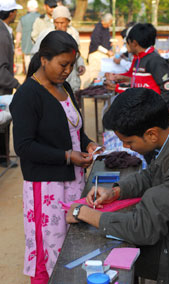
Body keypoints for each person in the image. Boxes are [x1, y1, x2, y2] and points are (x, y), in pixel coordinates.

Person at [66, 87, 169, 284]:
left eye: (128, 141)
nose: (125, 147)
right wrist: (116, 191)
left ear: (151, 134)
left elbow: (143, 227)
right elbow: (152, 174)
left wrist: (83, 213)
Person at [10, 30, 101, 284]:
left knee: (68, 245)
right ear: (43, 60)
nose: (67, 71)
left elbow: (74, 130)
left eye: (71, 65)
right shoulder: (28, 95)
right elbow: (24, 147)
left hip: (71, 181)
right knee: (46, 251)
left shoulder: (65, 87)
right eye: (63, 65)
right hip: (46, 187)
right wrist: (67, 156)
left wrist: (89, 144)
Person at [104, 23, 169, 106]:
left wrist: (156, 109)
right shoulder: (138, 58)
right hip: (141, 108)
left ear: (134, 43)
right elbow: (137, 86)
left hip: (150, 111)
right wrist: (117, 86)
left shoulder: (154, 60)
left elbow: (168, 89)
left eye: (127, 43)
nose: (127, 46)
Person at [31, 5, 86, 94]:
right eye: (57, 22)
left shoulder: (73, 33)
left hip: (71, 79)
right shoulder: (46, 34)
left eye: (62, 23)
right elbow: (36, 55)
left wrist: (81, 65)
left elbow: (76, 53)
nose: (59, 26)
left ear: (68, 21)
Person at [0, 0, 22, 167]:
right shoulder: (1, 34)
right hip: (2, 87)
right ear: (10, 13)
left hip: (5, 85)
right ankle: (3, 158)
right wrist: (16, 83)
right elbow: (1, 68)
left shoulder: (5, 30)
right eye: (14, 11)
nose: (16, 14)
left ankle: (4, 157)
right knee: (3, 125)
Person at [15, 0, 40, 72]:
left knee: (29, 70)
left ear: (28, 8)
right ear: (37, 8)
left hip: (27, 49)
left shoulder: (23, 19)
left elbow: (19, 33)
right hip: (39, 50)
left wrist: (17, 46)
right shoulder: (41, 18)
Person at [88, 13, 114, 82]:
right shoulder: (98, 28)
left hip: (104, 56)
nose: (109, 25)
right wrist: (107, 51)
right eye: (108, 23)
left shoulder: (106, 29)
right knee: (95, 76)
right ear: (103, 21)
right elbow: (96, 44)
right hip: (96, 55)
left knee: (103, 77)